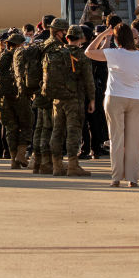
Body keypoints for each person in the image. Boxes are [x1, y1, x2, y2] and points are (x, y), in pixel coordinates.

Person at [86, 24, 139, 187]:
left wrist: (102, 35)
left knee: (116, 138)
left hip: (115, 97)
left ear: (116, 39)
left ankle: (116, 177)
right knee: (133, 140)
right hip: (136, 98)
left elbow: (89, 52)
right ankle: (133, 177)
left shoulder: (113, 54)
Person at [42, 20, 95, 177]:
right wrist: (92, 99)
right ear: (80, 38)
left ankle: (57, 165)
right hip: (74, 99)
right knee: (74, 131)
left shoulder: (57, 53)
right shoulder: (81, 56)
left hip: (57, 99)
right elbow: (88, 80)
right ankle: (73, 165)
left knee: (57, 132)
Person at [0, 33, 32, 168]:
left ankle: (13, 160)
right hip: (20, 96)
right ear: (18, 44)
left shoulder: (1, 57)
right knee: (27, 124)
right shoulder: (22, 56)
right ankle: (21, 153)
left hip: (5, 97)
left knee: (11, 128)